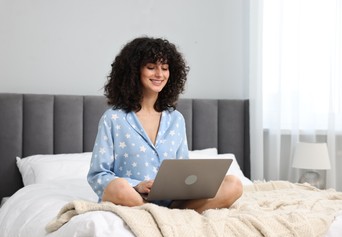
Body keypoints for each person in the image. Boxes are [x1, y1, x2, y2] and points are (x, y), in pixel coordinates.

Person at [87, 36, 243, 213]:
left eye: (165, 68)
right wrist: (136, 186)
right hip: (133, 198)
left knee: (234, 184)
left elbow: (183, 170)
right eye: (151, 67)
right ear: (133, 71)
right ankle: (158, 215)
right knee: (119, 187)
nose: (159, 74)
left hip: (173, 202)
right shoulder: (114, 118)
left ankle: (165, 215)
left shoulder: (176, 119)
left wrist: (189, 186)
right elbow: (97, 175)